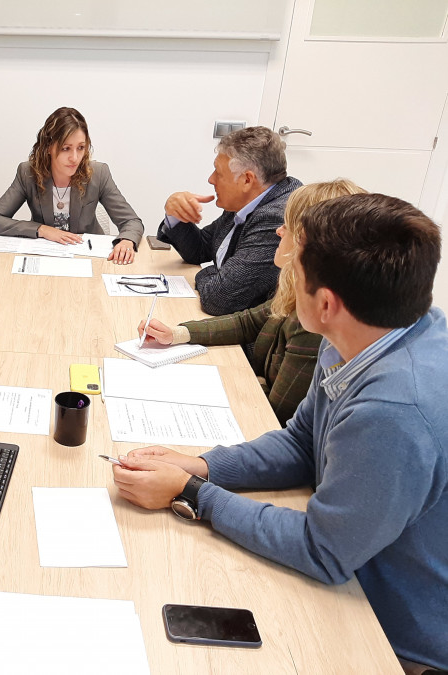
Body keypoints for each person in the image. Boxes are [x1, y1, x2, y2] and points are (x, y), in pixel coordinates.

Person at [113, 193, 448, 673]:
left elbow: (322, 550)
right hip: (355, 569)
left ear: (326, 304)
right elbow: (299, 444)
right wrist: (201, 465)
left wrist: (191, 493)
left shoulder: (395, 410)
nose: (287, 272)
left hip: (390, 638)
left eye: (298, 269)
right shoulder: (368, 332)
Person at [141, 180, 364, 427]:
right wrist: (177, 333)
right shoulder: (296, 288)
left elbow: (274, 418)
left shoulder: (316, 323)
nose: (279, 231)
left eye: (287, 225)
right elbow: (249, 320)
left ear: (313, 245)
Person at [157, 126, 302, 315]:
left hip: (247, 339)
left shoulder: (276, 218)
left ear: (247, 180)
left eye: (218, 172)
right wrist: (175, 215)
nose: (211, 179)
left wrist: (207, 272)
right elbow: (200, 250)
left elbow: (219, 299)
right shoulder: (248, 201)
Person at [0, 107, 144, 265]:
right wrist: (42, 229)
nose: (74, 158)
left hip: (89, 258)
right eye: (66, 148)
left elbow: (131, 221)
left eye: (80, 148)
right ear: (48, 147)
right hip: (46, 258)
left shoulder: (98, 173)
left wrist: (126, 240)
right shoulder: (28, 173)